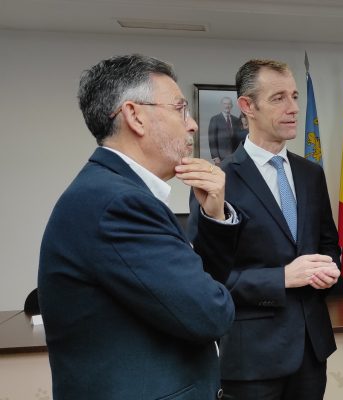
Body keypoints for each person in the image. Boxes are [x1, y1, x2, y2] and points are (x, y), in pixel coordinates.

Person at [38, 54, 240, 400]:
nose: (191, 124)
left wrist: (214, 217)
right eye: (180, 109)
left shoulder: (113, 192)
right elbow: (210, 313)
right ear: (135, 116)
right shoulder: (119, 204)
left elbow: (196, 293)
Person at [189, 59, 341, 400]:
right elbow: (208, 277)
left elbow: (329, 244)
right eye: (279, 98)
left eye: (295, 96)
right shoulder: (219, 180)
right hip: (251, 357)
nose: (294, 108)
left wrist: (329, 268)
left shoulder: (310, 174)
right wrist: (283, 277)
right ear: (247, 106)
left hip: (311, 351)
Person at [208, 96, 243, 164]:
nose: (227, 106)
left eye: (229, 104)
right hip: (220, 158)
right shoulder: (215, 119)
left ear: (232, 106)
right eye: (225, 104)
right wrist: (215, 157)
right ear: (221, 105)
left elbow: (239, 139)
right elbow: (212, 140)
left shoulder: (236, 120)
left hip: (235, 157)